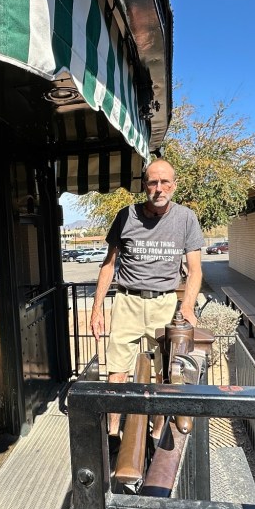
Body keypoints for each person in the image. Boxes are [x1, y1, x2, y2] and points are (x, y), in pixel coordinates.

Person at [89, 159, 204, 433]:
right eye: (153, 182)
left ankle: (156, 432)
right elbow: (108, 265)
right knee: (117, 372)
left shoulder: (186, 218)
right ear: (144, 186)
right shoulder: (125, 216)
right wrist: (96, 310)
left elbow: (195, 270)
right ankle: (113, 432)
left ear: (174, 185)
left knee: (164, 372)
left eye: (165, 182)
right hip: (127, 302)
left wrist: (188, 307)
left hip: (164, 303)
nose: (159, 188)